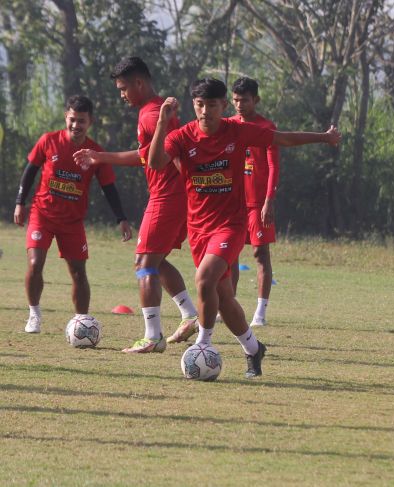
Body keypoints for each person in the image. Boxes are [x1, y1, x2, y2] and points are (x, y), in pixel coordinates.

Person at [147, 78, 340, 378]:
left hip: (230, 225)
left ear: (223, 106)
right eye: (200, 104)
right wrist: (162, 122)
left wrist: (323, 138)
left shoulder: (237, 131)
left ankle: (203, 345)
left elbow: (282, 138)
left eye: (212, 105)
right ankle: (253, 348)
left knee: (204, 278)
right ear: (193, 106)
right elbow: (156, 162)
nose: (206, 111)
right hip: (198, 228)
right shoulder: (183, 136)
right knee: (223, 298)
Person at [73, 57, 199, 353]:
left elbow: (156, 157)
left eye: (123, 88)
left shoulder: (150, 115)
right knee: (156, 261)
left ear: (139, 83)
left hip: (167, 197)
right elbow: (151, 155)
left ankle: (152, 336)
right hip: (176, 196)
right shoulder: (154, 112)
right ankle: (189, 314)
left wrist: (100, 157)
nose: (121, 95)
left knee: (143, 264)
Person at [14, 95, 132, 333]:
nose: (76, 125)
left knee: (78, 272)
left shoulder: (96, 152)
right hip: (42, 215)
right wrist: (20, 202)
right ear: (65, 117)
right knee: (35, 263)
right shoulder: (49, 141)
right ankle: (34, 314)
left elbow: (108, 187)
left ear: (90, 122)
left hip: (73, 222)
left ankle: (82, 323)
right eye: (72, 119)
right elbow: (30, 171)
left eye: (81, 121)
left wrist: (121, 218)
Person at [227, 76, 279, 327]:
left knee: (260, 254)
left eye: (244, 100)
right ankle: (229, 304)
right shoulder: (228, 125)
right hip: (233, 201)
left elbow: (273, 166)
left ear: (255, 100)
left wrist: (269, 200)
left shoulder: (266, 127)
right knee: (230, 254)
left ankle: (261, 312)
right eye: (235, 100)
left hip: (258, 203)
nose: (239, 105)